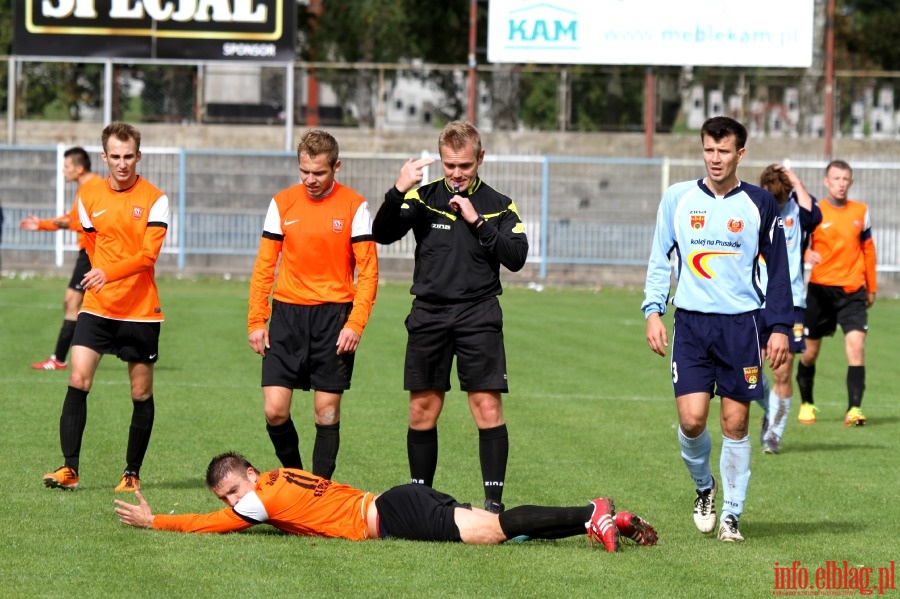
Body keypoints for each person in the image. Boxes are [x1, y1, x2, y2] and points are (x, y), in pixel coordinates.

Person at [642, 116, 793, 543]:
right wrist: (653, 311)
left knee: (735, 423)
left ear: (740, 154)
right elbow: (659, 258)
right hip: (690, 324)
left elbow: (779, 270)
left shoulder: (761, 204)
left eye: (723, 151)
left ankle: (731, 515)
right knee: (691, 422)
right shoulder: (678, 198)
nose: (715, 158)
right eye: (709, 149)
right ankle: (705, 487)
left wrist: (779, 326)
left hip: (741, 327)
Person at [371, 121, 529, 514]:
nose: (457, 173)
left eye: (464, 165)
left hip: (479, 315)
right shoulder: (422, 199)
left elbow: (516, 257)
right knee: (422, 409)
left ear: (480, 158)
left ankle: (493, 504)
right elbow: (382, 233)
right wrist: (398, 189)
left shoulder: (499, 204)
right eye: (449, 165)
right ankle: (419, 501)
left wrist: (477, 221)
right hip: (429, 315)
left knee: (486, 407)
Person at [114, 451, 658, 552]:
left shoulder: (262, 498)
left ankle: (592, 511)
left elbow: (213, 525)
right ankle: (601, 517)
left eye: (234, 491)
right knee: (499, 528)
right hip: (397, 503)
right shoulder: (282, 477)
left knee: (494, 532)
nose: (234, 503)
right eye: (227, 497)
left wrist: (156, 519)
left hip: (395, 514)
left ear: (250, 477)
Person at [41, 122, 169, 493]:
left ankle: (131, 473)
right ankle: (69, 469)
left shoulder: (155, 199)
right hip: (98, 307)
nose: (123, 163)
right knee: (78, 379)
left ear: (138, 156)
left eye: (129, 156)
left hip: (141, 310)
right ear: (104, 157)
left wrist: (107, 273)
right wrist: (103, 279)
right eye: (115, 156)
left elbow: (148, 256)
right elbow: (94, 246)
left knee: (140, 393)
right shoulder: (90, 199)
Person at [248, 129, 378, 479]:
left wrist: (355, 323)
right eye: (304, 171)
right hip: (287, 316)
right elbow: (264, 267)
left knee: (326, 414)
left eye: (318, 173)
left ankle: (320, 492)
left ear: (337, 167)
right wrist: (256, 320)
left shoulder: (355, 206)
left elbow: (368, 273)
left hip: (333, 318)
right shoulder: (282, 203)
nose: (310, 179)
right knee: (275, 411)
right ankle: (297, 480)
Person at [796, 160, 877, 427]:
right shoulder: (814, 212)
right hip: (820, 292)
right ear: (826, 182)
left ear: (850, 182)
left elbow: (868, 250)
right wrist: (808, 254)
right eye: (836, 179)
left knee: (856, 348)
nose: (841, 184)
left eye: (845, 179)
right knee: (809, 353)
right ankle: (807, 403)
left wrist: (872, 287)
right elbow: (798, 245)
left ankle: (854, 409)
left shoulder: (861, 211)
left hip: (853, 292)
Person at [755, 164, 822, 453]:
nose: (776, 206)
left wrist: (794, 179)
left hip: (791, 301)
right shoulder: (753, 209)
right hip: (754, 300)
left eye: (780, 201)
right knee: (749, 371)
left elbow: (815, 215)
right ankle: (770, 408)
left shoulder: (798, 210)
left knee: (782, 372)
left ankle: (774, 434)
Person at [20, 147, 103, 370]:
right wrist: (42, 224)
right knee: (75, 302)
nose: (63, 171)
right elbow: (73, 219)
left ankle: (59, 358)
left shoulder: (95, 188)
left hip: (91, 254)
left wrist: (69, 224)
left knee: (74, 302)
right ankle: (61, 357)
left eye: (66, 166)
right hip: (87, 253)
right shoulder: (86, 187)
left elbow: (92, 222)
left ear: (79, 168)